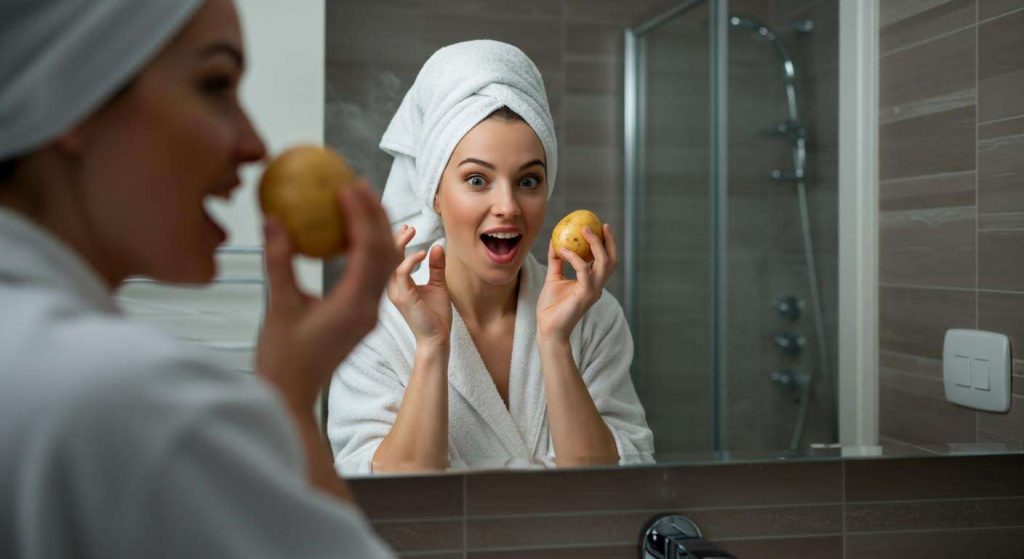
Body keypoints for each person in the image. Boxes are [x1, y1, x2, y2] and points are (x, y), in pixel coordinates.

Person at [0, 1, 400, 557]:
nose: (255, 144)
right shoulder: (136, 408)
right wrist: (290, 401)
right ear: (72, 95)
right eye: (215, 84)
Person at [327, 40, 654, 474]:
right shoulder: (373, 323)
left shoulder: (592, 317)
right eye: (478, 179)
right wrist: (430, 346)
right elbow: (391, 501)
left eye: (529, 181)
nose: (508, 206)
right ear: (435, 195)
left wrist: (556, 343)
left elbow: (610, 491)